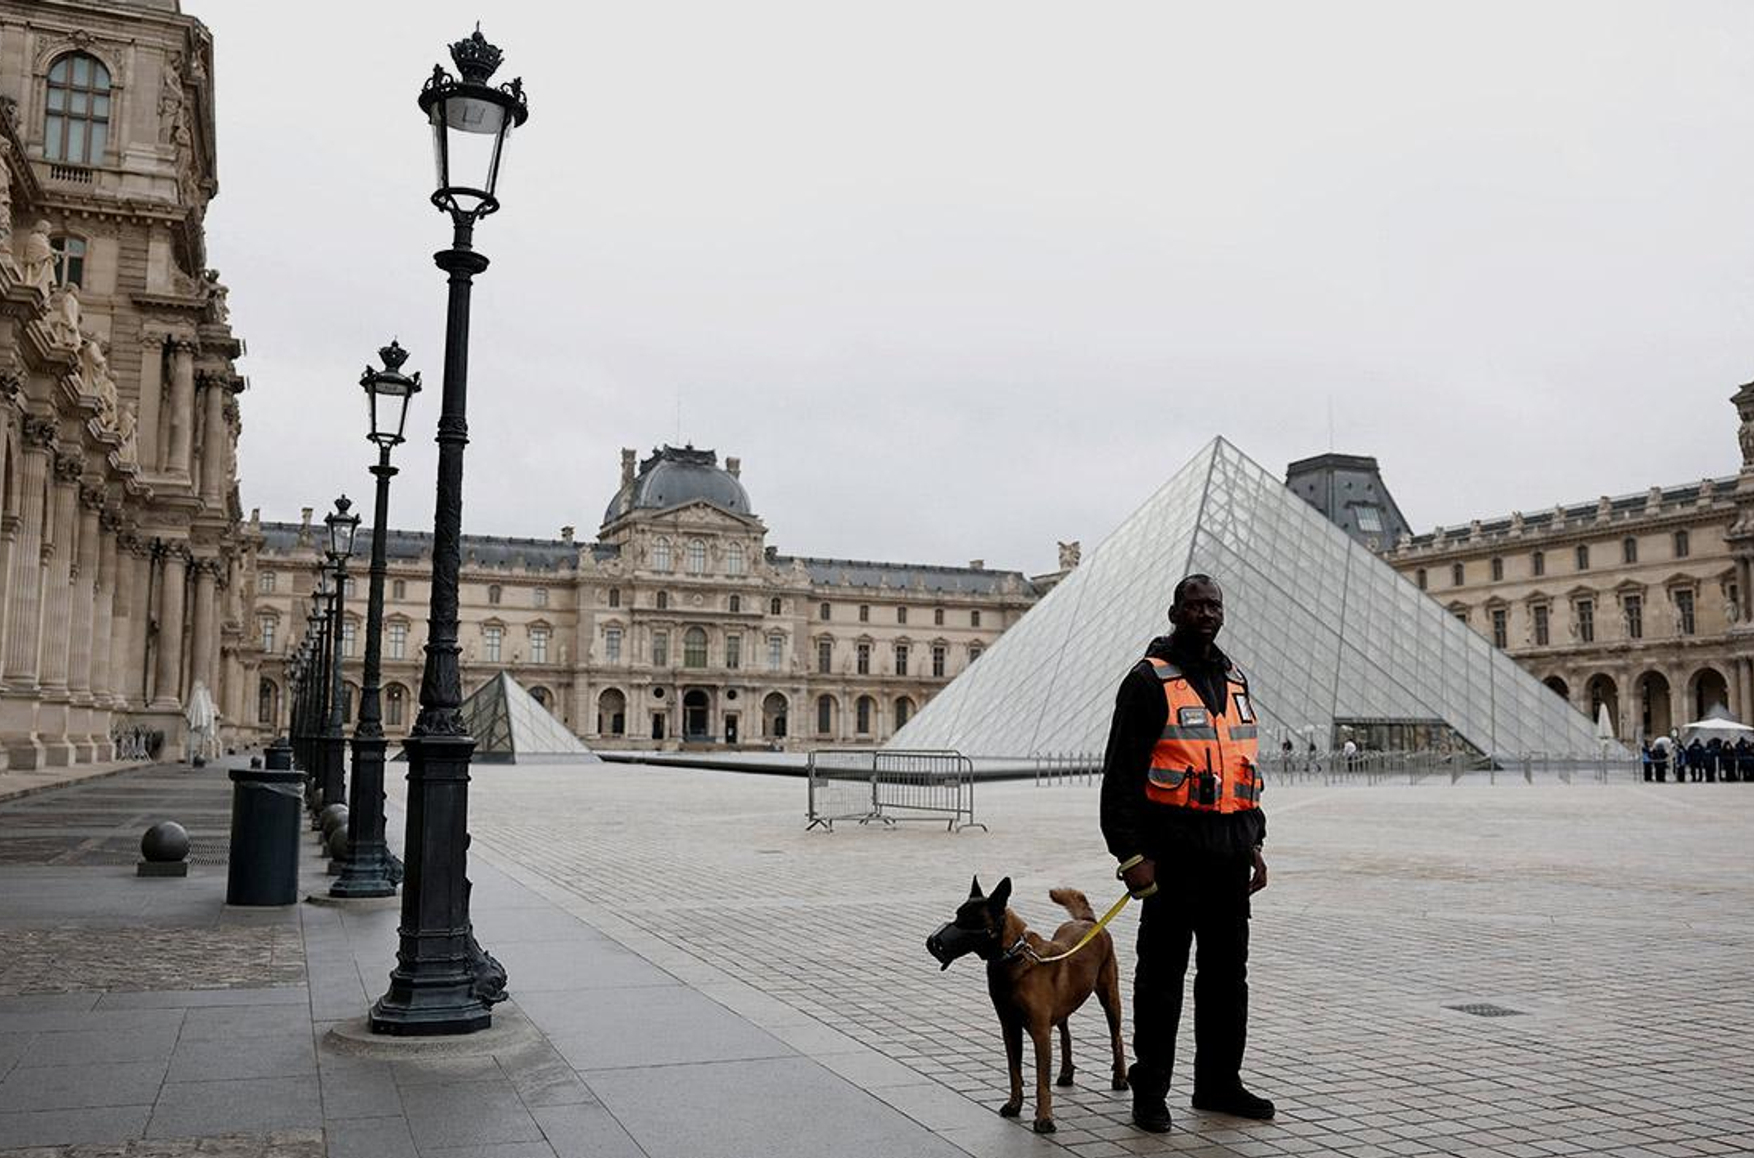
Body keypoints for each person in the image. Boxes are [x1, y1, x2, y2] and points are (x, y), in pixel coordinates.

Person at [1100, 574, 1272, 1134]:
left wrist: (1255, 842)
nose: (1206, 613)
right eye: (1195, 605)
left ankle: (1219, 1082)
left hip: (1228, 855)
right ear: (1175, 612)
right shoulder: (1147, 681)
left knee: (1227, 978)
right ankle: (1150, 1089)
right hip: (1171, 858)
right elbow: (1120, 777)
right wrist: (1131, 855)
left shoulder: (1235, 678)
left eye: (1213, 605)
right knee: (1161, 978)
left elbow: (1242, 768)